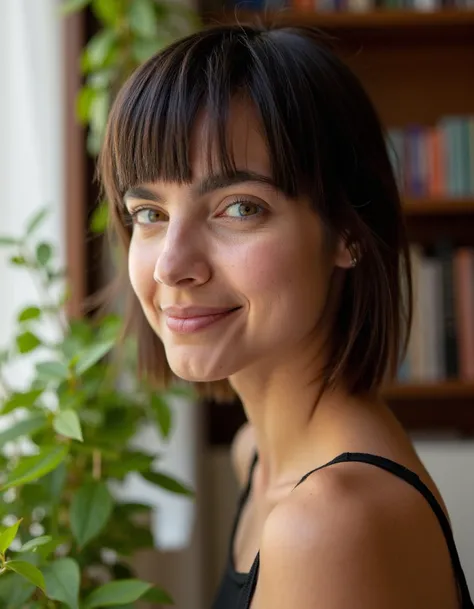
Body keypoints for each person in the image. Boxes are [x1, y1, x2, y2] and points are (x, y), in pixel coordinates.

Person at [98, 21, 473, 609]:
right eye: (149, 212)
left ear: (347, 232)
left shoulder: (329, 522)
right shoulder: (263, 455)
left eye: (239, 207)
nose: (171, 265)